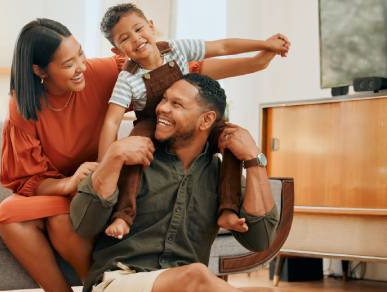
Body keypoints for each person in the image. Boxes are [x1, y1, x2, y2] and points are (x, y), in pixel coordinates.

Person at [0, 17, 284, 292]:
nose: (80, 68)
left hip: (109, 179)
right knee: (12, 215)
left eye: (81, 55)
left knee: (63, 220)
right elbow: (28, 177)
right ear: (40, 71)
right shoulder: (25, 106)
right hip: (80, 182)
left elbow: (179, 66)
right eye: (68, 64)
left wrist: (261, 58)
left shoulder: (105, 71)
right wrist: (92, 171)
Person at [70, 74, 370, 292]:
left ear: (206, 120)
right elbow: (83, 224)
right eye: (164, 100)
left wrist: (254, 160)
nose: (162, 108)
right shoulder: (133, 157)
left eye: (176, 104)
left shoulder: (220, 177)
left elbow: (260, 239)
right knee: (196, 276)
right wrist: (113, 157)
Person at [97, 3, 290, 240]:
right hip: (152, 121)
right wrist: (104, 164)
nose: (136, 39)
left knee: (232, 138)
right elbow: (111, 122)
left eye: (138, 29)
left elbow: (222, 46)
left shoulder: (177, 49)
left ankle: (227, 210)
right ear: (117, 51)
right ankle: (123, 215)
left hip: (191, 114)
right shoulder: (127, 78)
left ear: (151, 26)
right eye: (125, 38)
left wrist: (264, 44)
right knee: (133, 151)